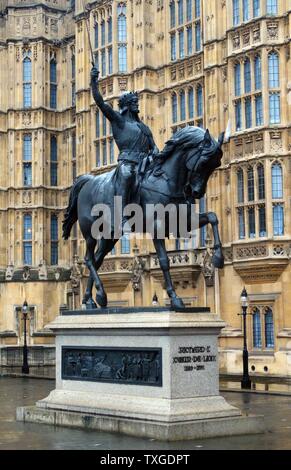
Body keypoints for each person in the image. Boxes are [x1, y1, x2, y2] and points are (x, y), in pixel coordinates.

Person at [90, 66, 159, 228]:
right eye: (134, 102)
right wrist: (93, 81)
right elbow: (100, 102)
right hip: (127, 163)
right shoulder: (119, 121)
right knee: (127, 175)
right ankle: (119, 215)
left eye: (137, 102)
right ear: (127, 104)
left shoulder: (144, 128)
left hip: (144, 165)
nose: (137, 105)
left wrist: (155, 153)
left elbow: (154, 148)